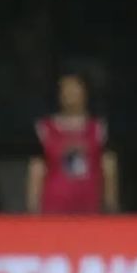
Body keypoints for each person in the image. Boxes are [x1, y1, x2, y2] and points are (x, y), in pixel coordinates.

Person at [26, 73, 118, 214]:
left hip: (90, 207)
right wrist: (32, 208)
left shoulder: (100, 129)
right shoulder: (44, 129)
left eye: (74, 89)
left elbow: (109, 166)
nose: (70, 94)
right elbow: (36, 169)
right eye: (65, 90)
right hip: (53, 208)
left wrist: (111, 205)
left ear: (85, 93)